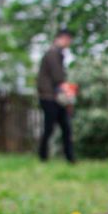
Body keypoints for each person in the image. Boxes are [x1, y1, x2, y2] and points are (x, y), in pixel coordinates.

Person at [37, 27, 75, 163]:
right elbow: (58, 77)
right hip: (50, 98)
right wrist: (68, 91)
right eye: (68, 39)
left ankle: (70, 158)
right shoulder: (53, 54)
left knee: (64, 128)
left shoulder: (57, 54)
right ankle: (43, 156)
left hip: (55, 98)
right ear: (62, 38)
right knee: (50, 128)